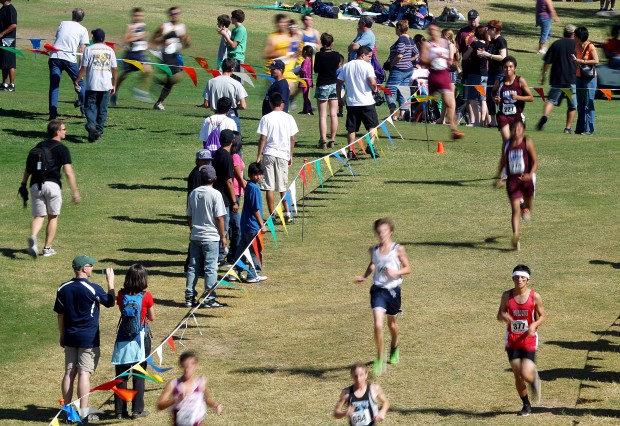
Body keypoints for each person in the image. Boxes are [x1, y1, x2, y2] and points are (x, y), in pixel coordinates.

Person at [54, 255, 115, 423]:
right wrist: (111, 282)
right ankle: (83, 414)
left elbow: (60, 314)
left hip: (70, 336)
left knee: (69, 373)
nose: (92, 268)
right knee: (83, 374)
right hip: (89, 338)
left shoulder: (63, 288)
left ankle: (67, 411)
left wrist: (62, 334)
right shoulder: (93, 288)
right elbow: (110, 302)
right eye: (90, 265)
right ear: (83, 269)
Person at [354, 218, 411, 375]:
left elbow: (408, 268)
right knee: (378, 324)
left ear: (390, 232)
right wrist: (365, 276)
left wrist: (396, 272)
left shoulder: (398, 249)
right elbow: (373, 263)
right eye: (379, 232)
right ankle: (380, 356)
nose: (382, 235)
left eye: (385, 231)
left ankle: (394, 346)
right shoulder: (373, 250)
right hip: (378, 290)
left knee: (391, 325)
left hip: (393, 291)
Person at [21, 119, 81, 258]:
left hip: (36, 185)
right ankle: (47, 248)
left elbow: (28, 169)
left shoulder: (38, 146)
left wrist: (23, 184)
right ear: (58, 131)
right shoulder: (62, 149)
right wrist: (75, 191)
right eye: (64, 129)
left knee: (39, 216)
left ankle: (34, 237)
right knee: (52, 217)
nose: (66, 131)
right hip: (52, 185)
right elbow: (68, 172)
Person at [497, 264, 547, 416]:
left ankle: (534, 379)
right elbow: (499, 314)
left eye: (523, 277)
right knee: (518, 376)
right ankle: (526, 406)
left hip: (529, 338)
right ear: (512, 278)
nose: (519, 280)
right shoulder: (506, 296)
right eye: (517, 277)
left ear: (528, 280)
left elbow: (543, 315)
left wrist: (534, 325)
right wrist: (504, 316)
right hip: (512, 338)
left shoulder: (535, 297)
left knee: (525, 372)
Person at [111, 264, 154, 420]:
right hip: (140, 339)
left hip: (123, 339)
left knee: (121, 375)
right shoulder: (147, 296)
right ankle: (137, 410)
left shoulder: (122, 295)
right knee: (139, 374)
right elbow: (152, 317)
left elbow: (122, 311)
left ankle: (119, 411)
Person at [185, 165, 227, 308]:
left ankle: (189, 297)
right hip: (211, 237)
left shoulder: (193, 193)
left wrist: (193, 230)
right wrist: (223, 236)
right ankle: (209, 298)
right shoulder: (216, 194)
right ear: (214, 178)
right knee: (210, 268)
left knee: (193, 267)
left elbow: (189, 216)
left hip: (196, 236)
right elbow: (220, 218)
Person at [495, 120, 538, 251]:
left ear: (523, 130)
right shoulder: (507, 144)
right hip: (512, 181)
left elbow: (536, 162)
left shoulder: (527, 142)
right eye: (513, 129)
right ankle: (516, 237)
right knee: (515, 211)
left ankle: (525, 206)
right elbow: (503, 161)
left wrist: (530, 174)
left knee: (529, 205)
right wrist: (499, 176)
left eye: (519, 129)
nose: (516, 131)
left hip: (527, 179)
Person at [256, 92, 298, 222]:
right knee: (282, 185)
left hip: (269, 153)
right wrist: (290, 154)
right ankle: (287, 213)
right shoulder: (289, 118)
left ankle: (272, 215)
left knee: (269, 186)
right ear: (282, 103)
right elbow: (292, 139)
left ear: (270, 103)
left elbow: (263, 138)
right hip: (283, 154)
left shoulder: (266, 118)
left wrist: (258, 156)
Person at [420, 24, 464, 140]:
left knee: (450, 102)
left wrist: (451, 61)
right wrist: (433, 58)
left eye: (435, 30)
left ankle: (454, 130)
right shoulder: (427, 44)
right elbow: (422, 60)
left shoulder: (445, 43)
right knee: (431, 101)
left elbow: (452, 58)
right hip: (434, 75)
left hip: (444, 75)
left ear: (439, 31)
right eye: (431, 31)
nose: (433, 33)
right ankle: (420, 109)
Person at [75, 28, 117, 143]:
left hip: (92, 84)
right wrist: (114, 84)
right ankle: (98, 132)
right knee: (102, 109)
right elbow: (114, 69)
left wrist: (78, 79)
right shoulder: (110, 50)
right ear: (104, 38)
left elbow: (84, 67)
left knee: (90, 107)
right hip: (106, 85)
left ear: (94, 38)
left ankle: (91, 125)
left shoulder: (89, 49)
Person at [157, 351, 223, 424]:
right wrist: (176, 400)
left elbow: (207, 399)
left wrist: (215, 405)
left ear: (196, 365)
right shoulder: (174, 384)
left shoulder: (201, 382)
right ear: (181, 366)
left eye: (190, 366)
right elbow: (160, 406)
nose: (187, 369)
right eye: (185, 366)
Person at [337, 46, 379, 160]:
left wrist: (339, 98)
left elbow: (339, 82)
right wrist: (375, 89)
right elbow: (372, 82)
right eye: (369, 56)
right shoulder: (367, 66)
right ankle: (371, 145)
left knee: (352, 128)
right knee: (372, 125)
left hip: (352, 102)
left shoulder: (346, 66)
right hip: (366, 101)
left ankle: (351, 150)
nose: (370, 59)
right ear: (363, 55)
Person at [48, 8, 88, 120]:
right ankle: (84, 111)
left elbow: (58, 38)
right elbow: (82, 49)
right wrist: (81, 66)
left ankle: (52, 114)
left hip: (55, 57)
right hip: (69, 59)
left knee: (54, 86)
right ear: (82, 18)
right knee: (80, 83)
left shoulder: (62, 23)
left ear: (72, 15)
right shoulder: (83, 30)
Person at [537, 24, 577, 134]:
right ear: (573, 33)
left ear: (564, 32)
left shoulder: (556, 44)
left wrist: (543, 76)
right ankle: (568, 128)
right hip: (571, 79)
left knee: (551, 100)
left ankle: (545, 116)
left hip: (557, 78)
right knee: (572, 105)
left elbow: (547, 62)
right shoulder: (577, 45)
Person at [232, 162, 268, 283]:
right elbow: (255, 208)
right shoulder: (254, 188)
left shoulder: (249, 186)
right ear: (250, 175)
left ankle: (235, 272)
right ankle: (252, 274)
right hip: (252, 225)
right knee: (254, 250)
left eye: (260, 174)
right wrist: (262, 224)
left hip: (245, 224)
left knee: (242, 249)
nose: (258, 177)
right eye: (256, 175)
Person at [151, 6, 190, 111]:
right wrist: (162, 41)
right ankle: (159, 101)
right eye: (172, 14)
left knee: (173, 80)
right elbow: (153, 39)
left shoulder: (182, 27)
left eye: (176, 13)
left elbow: (186, 44)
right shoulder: (164, 26)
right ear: (169, 15)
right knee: (174, 78)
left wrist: (185, 40)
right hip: (166, 54)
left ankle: (158, 102)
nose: (174, 16)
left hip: (176, 55)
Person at [112, 7, 153, 105]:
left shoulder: (143, 25)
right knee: (123, 76)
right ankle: (113, 93)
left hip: (141, 53)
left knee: (148, 71)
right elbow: (126, 40)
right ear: (133, 16)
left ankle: (139, 90)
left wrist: (146, 45)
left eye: (140, 15)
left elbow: (142, 39)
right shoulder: (130, 26)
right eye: (136, 15)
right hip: (132, 54)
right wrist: (139, 36)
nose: (138, 17)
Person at [492, 56, 534, 146]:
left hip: (517, 116)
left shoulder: (520, 81)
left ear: (515, 68)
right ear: (503, 68)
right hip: (503, 115)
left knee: (516, 142)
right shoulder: (499, 81)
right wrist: (494, 98)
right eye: (505, 67)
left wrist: (518, 97)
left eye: (510, 67)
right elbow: (493, 93)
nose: (508, 69)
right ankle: (506, 158)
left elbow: (531, 98)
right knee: (507, 142)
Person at [212, 130, 238, 266]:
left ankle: (219, 256)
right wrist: (234, 201)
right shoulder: (227, 157)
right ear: (232, 141)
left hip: (217, 194)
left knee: (221, 227)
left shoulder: (217, 154)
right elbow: (229, 181)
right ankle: (219, 257)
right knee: (224, 228)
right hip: (225, 197)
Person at [202, 58, 248, 133]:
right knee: (234, 142)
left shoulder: (211, 82)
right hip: (231, 114)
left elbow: (206, 104)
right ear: (232, 68)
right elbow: (243, 105)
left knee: (215, 141)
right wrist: (236, 105)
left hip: (216, 115)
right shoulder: (236, 83)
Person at [314, 33, 341, 149]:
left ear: (321, 43)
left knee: (322, 115)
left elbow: (316, 70)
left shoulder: (319, 55)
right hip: (333, 84)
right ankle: (332, 139)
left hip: (322, 84)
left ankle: (323, 139)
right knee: (333, 114)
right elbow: (336, 67)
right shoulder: (336, 55)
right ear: (332, 43)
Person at [385, 20, 415, 120]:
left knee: (389, 90)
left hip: (398, 69)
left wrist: (391, 65)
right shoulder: (410, 39)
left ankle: (393, 114)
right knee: (404, 91)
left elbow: (400, 54)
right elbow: (416, 54)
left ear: (398, 28)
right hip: (408, 69)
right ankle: (403, 114)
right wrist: (408, 61)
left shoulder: (402, 39)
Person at [572, 26, 599, 136]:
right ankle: (580, 128)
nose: (574, 37)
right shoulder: (577, 46)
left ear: (579, 37)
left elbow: (596, 61)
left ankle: (589, 129)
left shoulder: (590, 46)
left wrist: (581, 61)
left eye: (575, 35)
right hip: (579, 76)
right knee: (580, 103)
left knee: (589, 102)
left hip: (590, 78)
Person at [482, 20, 508, 127]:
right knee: (489, 96)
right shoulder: (492, 41)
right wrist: (483, 54)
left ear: (495, 29)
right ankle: (492, 121)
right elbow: (489, 55)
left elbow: (503, 57)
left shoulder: (501, 41)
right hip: (491, 73)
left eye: (489, 28)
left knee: (499, 97)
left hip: (500, 73)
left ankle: (508, 117)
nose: (487, 30)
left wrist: (489, 55)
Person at [462, 26, 489, 127]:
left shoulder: (474, 44)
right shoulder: (487, 45)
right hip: (485, 74)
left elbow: (465, 56)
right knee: (483, 99)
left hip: (474, 74)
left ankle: (476, 121)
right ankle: (483, 120)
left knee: (472, 98)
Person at [229, 132, 245, 265]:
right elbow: (239, 176)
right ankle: (233, 254)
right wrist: (248, 187)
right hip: (234, 192)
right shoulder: (234, 157)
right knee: (236, 225)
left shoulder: (234, 156)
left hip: (236, 191)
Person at [222, 9, 247, 76]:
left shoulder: (241, 30)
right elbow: (229, 44)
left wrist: (225, 34)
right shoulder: (234, 29)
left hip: (237, 58)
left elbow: (233, 45)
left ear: (235, 19)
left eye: (232, 17)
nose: (231, 19)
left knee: (238, 82)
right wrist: (224, 33)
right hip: (231, 57)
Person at [0, 0, 17, 91]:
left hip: (9, 40)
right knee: (3, 62)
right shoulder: (3, 9)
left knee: (10, 62)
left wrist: (2, 33)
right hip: (2, 40)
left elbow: (14, 25)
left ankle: (12, 84)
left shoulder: (11, 9)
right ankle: (4, 84)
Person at [298, 45, 314, 115]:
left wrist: (297, 71)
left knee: (305, 96)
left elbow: (303, 70)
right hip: (308, 81)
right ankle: (305, 110)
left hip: (305, 81)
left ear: (305, 52)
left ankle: (309, 110)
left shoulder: (306, 61)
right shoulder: (310, 60)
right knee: (305, 96)